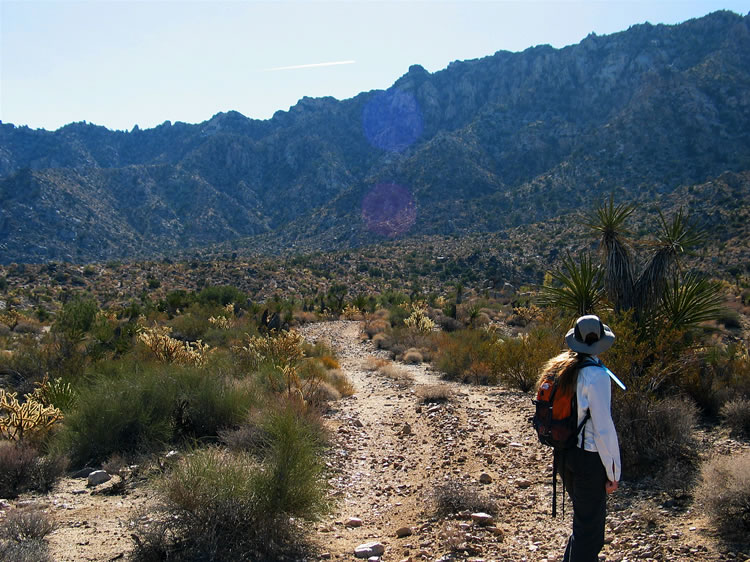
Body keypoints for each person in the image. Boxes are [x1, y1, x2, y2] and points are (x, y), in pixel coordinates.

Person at [538, 314, 621, 562]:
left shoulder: (561, 368)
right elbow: (603, 427)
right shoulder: (597, 376)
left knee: (584, 525)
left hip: (565, 454)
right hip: (589, 459)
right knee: (590, 535)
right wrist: (613, 471)